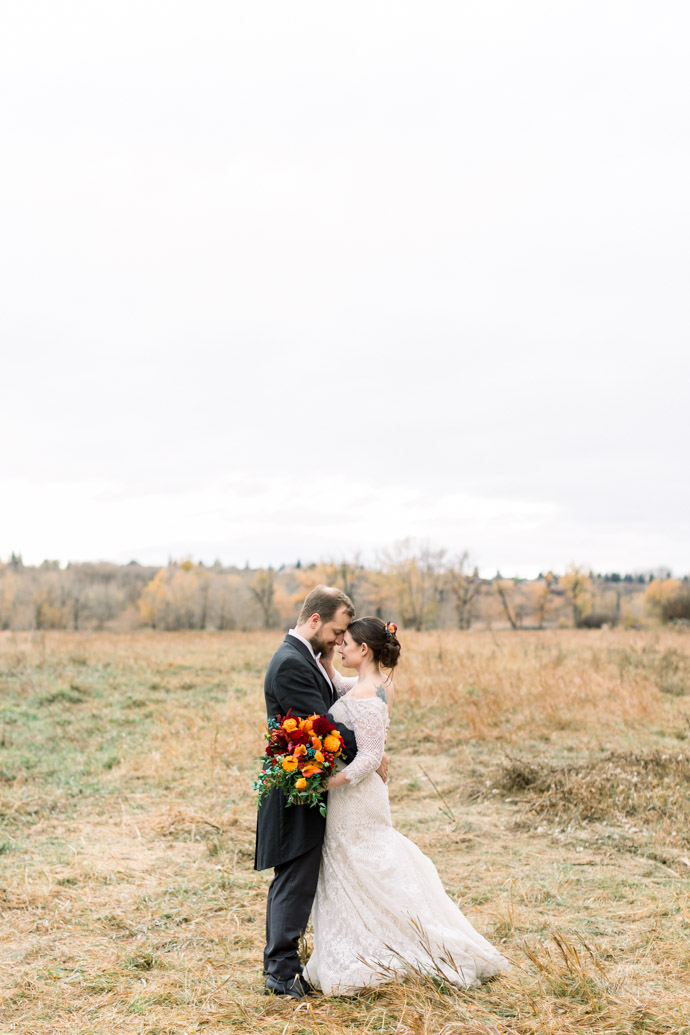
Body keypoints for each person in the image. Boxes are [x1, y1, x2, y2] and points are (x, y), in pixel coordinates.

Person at [302, 617, 509, 995]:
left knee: (359, 863)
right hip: (364, 797)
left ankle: (389, 946)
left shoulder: (365, 696)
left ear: (364, 650)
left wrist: (322, 783)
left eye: (346, 642)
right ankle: (376, 937)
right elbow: (340, 684)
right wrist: (328, 654)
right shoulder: (378, 686)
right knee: (362, 865)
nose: (342, 647)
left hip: (354, 797)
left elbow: (367, 759)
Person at [255, 585, 388, 999]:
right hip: (296, 790)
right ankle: (280, 972)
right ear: (315, 620)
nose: (337, 638)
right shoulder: (291, 664)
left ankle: (287, 966)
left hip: (307, 784)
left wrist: (331, 667)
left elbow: (336, 700)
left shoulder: (307, 658)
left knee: (299, 877)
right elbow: (320, 727)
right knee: (294, 878)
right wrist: (369, 750)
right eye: (335, 630)